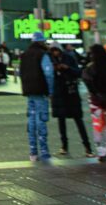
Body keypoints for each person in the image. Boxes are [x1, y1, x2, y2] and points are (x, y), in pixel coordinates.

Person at [48, 42, 94, 157]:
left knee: (78, 120)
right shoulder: (49, 59)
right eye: (53, 51)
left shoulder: (68, 58)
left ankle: (87, 147)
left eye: (56, 50)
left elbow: (78, 72)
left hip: (70, 91)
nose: (55, 53)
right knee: (61, 120)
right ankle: (64, 146)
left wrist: (67, 68)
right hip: (59, 92)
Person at [20, 32, 54, 161]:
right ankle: (44, 151)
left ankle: (33, 152)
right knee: (41, 119)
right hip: (41, 91)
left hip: (29, 92)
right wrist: (50, 91)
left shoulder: (25, 55)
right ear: (41, 42)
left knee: (31, 120)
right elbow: (49, 73)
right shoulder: (42, 55)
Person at [82, 44, 106, 161]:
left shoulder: (91, 68)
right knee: (105, 124)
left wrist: (95, 93)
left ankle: (101, 149)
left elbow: (86, 79)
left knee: (98, 124)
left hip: (95, 101)